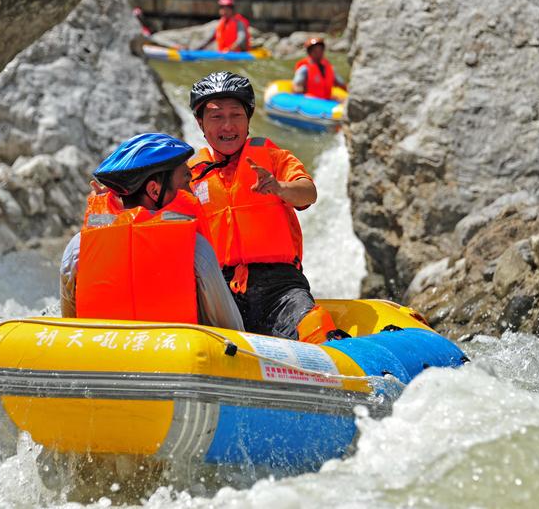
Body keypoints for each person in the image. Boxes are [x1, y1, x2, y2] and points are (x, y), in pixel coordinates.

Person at [186, 71, 343, 343]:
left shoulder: (273, 157)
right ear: (201, 123)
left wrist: (280, 188)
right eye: (216, 116)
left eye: (236, 115)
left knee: (315, 326)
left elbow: (308, 193)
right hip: (219, 289)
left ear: (248, 120)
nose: (227, 126)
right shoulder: (190, 175)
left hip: (280, 287)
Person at [59, 133, 244, 332]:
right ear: (155, 190)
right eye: (185, 181)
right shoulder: (195, 249)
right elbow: (230, 329)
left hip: (103, 358)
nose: (192, 193)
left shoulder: (78, 246)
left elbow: (71, 321)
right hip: (174, 360)